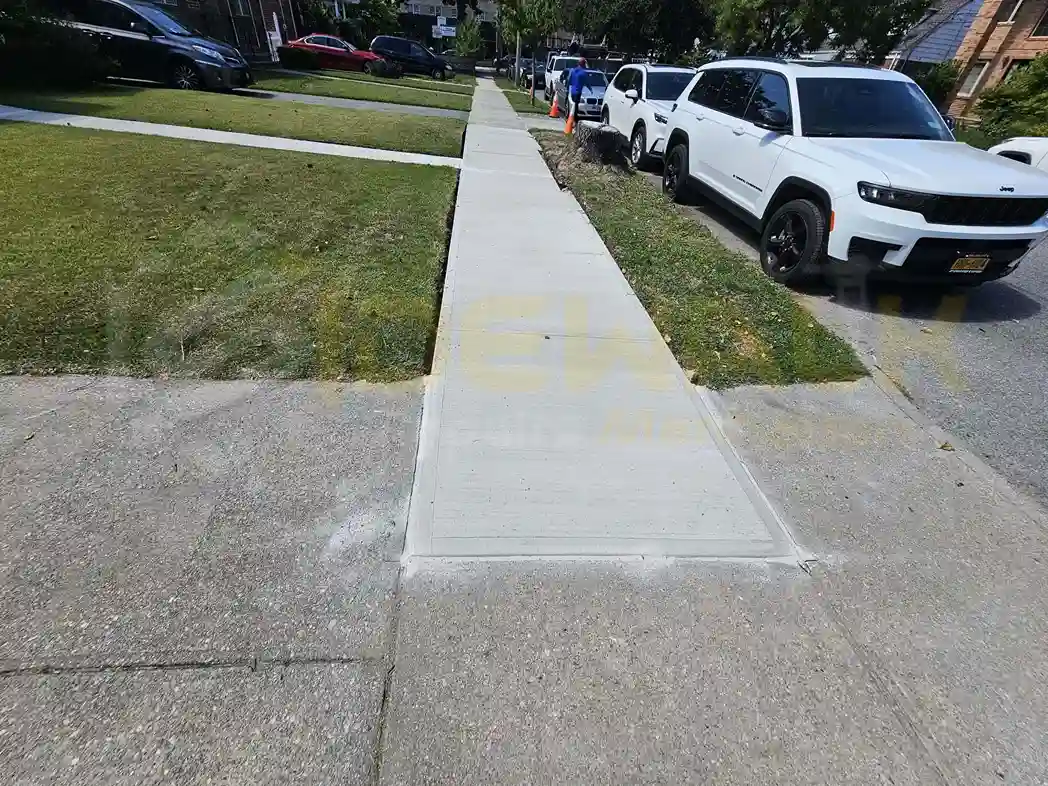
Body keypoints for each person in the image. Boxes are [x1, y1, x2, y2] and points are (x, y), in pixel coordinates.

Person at [567, 57, 588, 125]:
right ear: (583, 64)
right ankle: (574, 121)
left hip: (572, 91)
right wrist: (590, 89)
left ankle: (571, 118)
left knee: (572, 105)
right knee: (575, 106)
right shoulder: (583, 72)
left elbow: (569, 79)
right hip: (578, 92)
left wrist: (567, 87)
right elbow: (586, 82)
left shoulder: (572, 70)